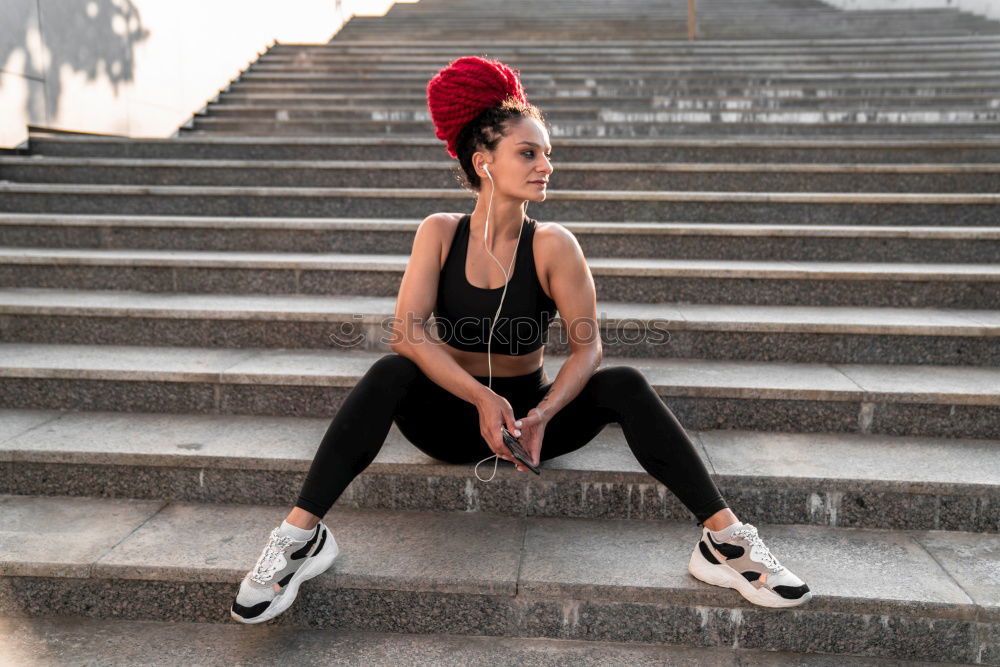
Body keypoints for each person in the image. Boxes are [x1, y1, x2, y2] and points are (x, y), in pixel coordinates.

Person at [231, 56, 811, 625]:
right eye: (528, 153)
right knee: (391, 370)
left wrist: (541, 413)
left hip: (531, 427)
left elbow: (588, 348)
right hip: (449, 421)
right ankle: (300, 538)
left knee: (624, 385)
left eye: (548, 154)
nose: (545, 166)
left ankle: (725, 542)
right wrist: (481, 399)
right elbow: (407, 331)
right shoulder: (439, 232)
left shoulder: (554, 244)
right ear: (484, 162)